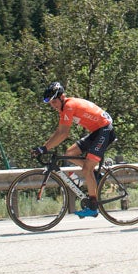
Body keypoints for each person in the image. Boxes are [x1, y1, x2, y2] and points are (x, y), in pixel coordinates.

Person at [33, 81, 115, 219]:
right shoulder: (64, 109)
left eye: (54, 102)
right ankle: (95, 175)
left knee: (86, 169)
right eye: (51, 103)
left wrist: (45, 148)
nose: (53, 106)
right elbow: (59, 131)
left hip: (105, 130)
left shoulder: (69, 106)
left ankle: (93, 207)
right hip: (97, 131)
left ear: (62, 97)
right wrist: (44, 147)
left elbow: (64, 134)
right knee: (70, 154)